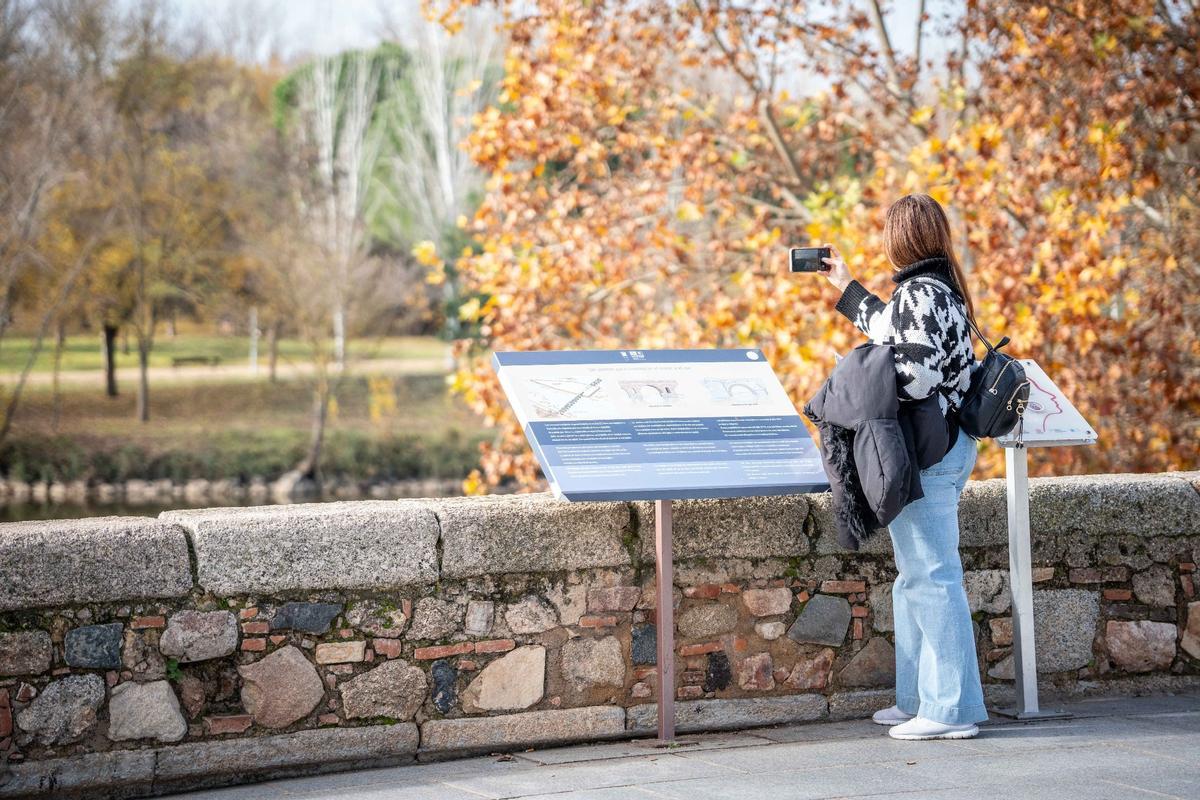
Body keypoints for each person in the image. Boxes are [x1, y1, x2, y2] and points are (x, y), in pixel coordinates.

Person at [819, 193, 987, 741]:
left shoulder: (919, 293)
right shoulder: (941, 289)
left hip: (930, 455)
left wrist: (861, 375)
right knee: (914, 579)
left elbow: (916, 376)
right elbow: (892, 329)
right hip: (950, 445)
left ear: (899, 239)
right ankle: (916, 698)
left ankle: (951, 710)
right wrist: (846, 286)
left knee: (932, 577)